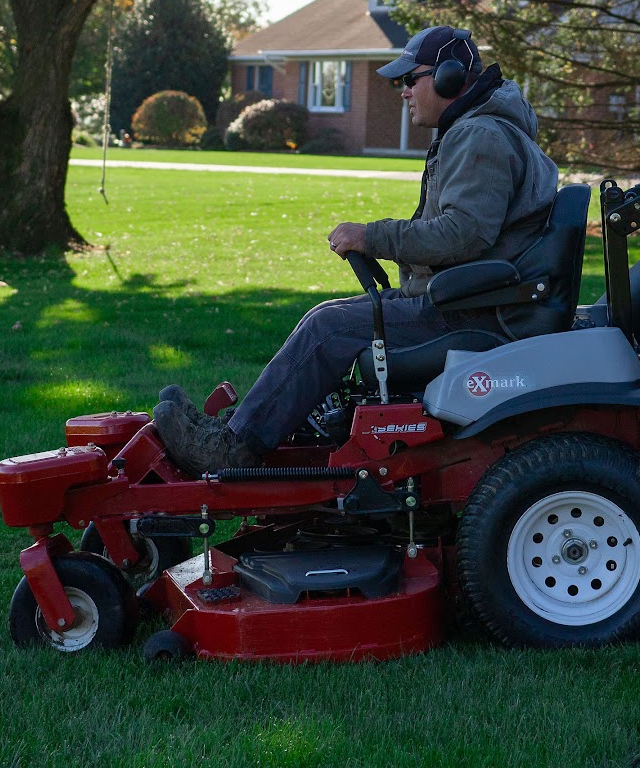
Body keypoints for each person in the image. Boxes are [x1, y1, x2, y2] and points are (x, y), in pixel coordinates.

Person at [153, 25, 560, 475]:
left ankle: (233, 448)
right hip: (467, 298)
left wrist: (372, 236)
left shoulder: (478, 135)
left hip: (470, 312)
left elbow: (463, 234)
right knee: (325, 318)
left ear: (449, 79)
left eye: (410, 79)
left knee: (328, 328)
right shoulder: (477, 129)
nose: (402, 92)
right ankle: (247, 424)